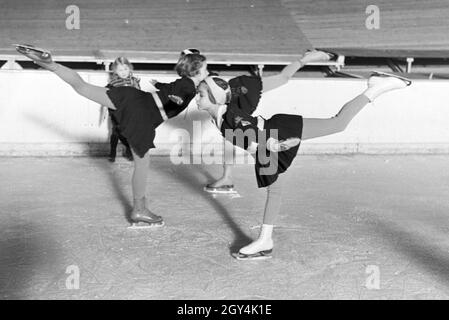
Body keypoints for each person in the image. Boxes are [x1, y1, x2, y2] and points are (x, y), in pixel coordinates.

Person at [196, 69, 411, 260]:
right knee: (275, 190)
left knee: (338, 123)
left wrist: (276, 145)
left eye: (201, 94)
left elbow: (255, 133)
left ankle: (377, 88)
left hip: (278, 131)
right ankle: (265, 240)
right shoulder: (219, 117)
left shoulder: (229, 116)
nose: (197, 98)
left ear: (215, 98)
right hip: (266, 147)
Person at [15, 44, 208, 228]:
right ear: (196, 71)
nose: (207, 72)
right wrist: (178, 98)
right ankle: (139, 210)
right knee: (143, 163)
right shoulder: (189, 86)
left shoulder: (186, 82)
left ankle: (50, 63)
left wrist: (164, 87)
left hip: (131, 98)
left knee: (83, 87)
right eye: (206, 69)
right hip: (142, 115)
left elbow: (175, 88)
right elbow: (181, 91)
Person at [203, 50, 333, 193]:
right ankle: (227, 177)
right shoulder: (219, 109)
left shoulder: (237, 92)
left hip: (245, 100)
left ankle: (308, 58)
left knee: (282, 78)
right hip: (240, 119)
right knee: (229, 137)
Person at [100, 56, 139, 162]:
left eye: (126, 69)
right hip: (116, 112)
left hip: (129, 112)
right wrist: (104, 109)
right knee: (115, 132)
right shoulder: (113, 83)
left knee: (128, 132)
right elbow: (105, 96)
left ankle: (128, 149)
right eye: (120, 70)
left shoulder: (134, 81)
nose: (123, 72)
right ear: (115, 71)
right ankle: (112, 152)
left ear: (130, 68)